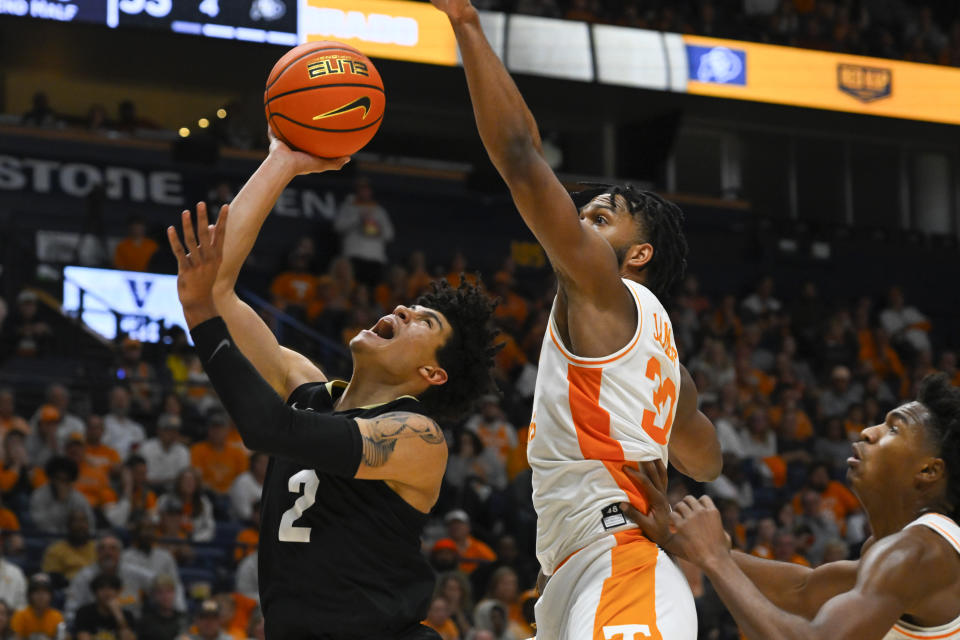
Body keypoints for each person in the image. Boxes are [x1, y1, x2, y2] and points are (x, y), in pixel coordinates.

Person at [430, 1, 722, 637]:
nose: (580, 224)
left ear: (636, 254)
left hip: (615, 561)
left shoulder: (602, 286)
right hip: (581, 563)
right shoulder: (668, 360)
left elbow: (517, 151)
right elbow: (709, 462)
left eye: (601, 218)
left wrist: (465, 23)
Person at [166, 134, 499, 639]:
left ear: (433, 374)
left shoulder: (416, 436)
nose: (404, 309)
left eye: (424, 322)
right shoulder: (305, 386)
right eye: (411, 307)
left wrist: (202, 319)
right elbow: (214, 288)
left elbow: (267, 427)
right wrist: (281, 162)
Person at [624, 373, 960, 640]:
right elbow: (804, 591)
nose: (868, 432)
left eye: (893, 428)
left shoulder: (919, 551)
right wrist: (677, 539)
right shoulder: (897, 551)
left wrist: (715, 560)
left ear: (928, 470)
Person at [333, 176, 395, 287]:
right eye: (361, 188)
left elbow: (389, 235)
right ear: (356, 190)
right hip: (353, 256)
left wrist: (378, 229)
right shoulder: (348, 207)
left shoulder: (379, 211)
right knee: (353, 289)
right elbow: (338, 227)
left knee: (372, 292)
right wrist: (358, 218)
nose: (364, 191)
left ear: (370, 191)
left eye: (366, 188)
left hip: (375, 259)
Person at [72, 573, 136, 640]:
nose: (107, 593)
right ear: (95, 592)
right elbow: (83, 637)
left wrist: (118, 615)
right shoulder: (84, 612)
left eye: (111, 588)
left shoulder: (127, 615)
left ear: (118, 591)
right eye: (102, 588)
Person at [40, 509, 95, 582]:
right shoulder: (55, 550)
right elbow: (53, 578)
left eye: (83, 521)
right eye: (76, 521)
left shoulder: (98, 548)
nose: (80, 525)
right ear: (68, 526)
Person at [10, 573, 62, 640]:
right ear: (29, 595)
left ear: (51, 595)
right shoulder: (20, 615)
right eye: (37, 592)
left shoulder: (57, 616)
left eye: (45, 592)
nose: (41, 596)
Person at [135, 574, 185, 640]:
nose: (165, 597)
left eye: (169, 591)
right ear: (153, 595)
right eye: (160, 592)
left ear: (174, 593)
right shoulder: (145, 622)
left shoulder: (183, 619)